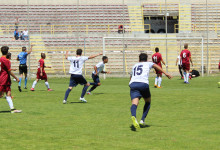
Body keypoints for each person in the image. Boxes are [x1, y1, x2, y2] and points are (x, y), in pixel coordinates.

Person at [129, 53, 172, 129]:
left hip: (133, 84)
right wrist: (165, 73)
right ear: (147, 59)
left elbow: (130, 76)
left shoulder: (134, 65)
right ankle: (142, 120)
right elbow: (155, 66)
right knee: (148, 101)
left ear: (139, 59)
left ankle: (133, 116)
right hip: (143, 84)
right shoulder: (148, 63)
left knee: (134, 103)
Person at [0, 46, 22, 113]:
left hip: (5, 78)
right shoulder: (6, 60)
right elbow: (9, 71)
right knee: (1, 95)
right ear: (7, 52)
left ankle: (12, 109)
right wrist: (16, 78)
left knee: (8, 93)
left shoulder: (1, 59)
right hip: (4, 78)